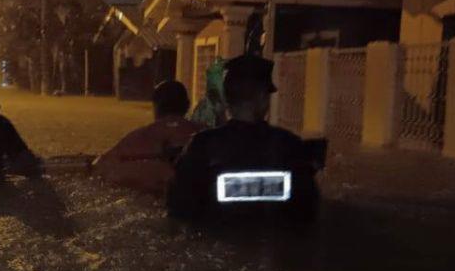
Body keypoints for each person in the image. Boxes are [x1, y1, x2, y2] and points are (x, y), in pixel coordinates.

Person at [168, 53, 322, 226]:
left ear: (227, 99)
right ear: (263, 99)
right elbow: (309, 210)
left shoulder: (201, 145)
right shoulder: (289, 145)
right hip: (275, 238)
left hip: (218, 238)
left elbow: (178, 209)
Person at [92, 79, 203, 195]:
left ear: (156, 107)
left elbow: (100, 166)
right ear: (187, 106)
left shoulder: (141, 136)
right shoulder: (204, 132)